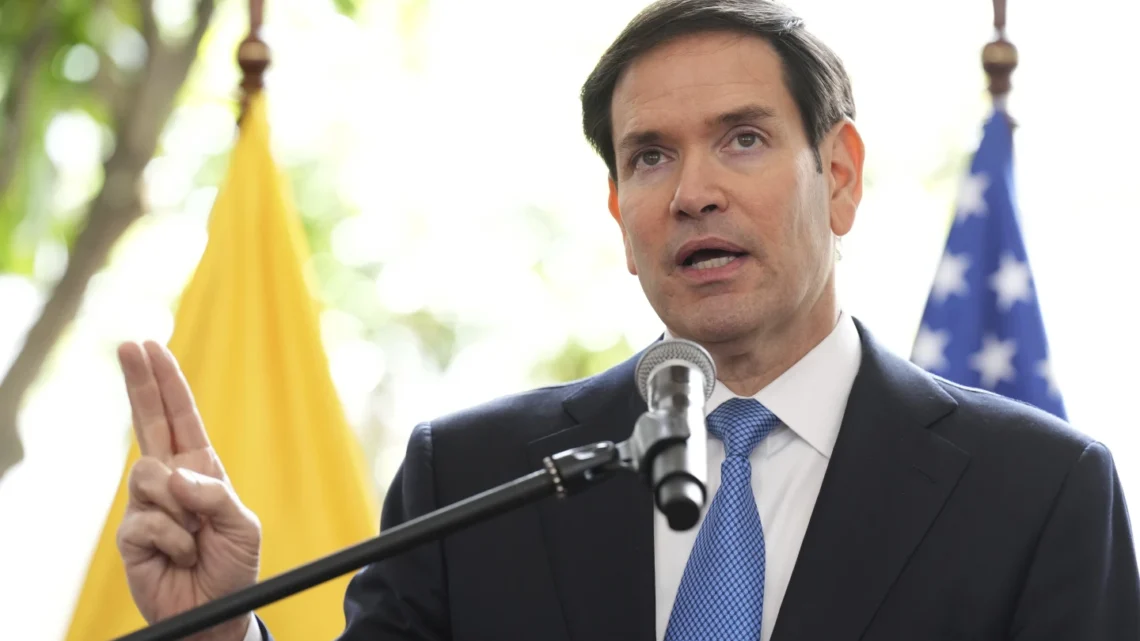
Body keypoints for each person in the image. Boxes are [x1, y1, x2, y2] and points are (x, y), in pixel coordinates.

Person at [114, 0, 1140, 639]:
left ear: (839, 175)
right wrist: (221, 633)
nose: (692, 192)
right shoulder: (468, 479)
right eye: (650, 156)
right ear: (619, 211)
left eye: (742, 139)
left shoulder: (1040, 492)